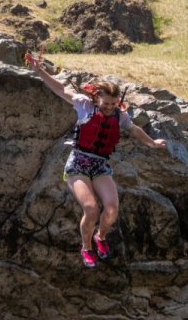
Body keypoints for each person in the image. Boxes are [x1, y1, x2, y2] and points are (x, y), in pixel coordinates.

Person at [27, 53, 168, 267]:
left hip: (100, 165)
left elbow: (134, 129)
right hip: (78, 164)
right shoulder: (85, 105)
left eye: (113, 103)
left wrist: (152, 143)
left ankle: (100, 237)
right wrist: (39, 70)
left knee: (111, 209)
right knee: (91, 209)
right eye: (106, 103)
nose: (109, 107)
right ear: (97, 98)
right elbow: (61, 89)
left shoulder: (120, 115)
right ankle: (86, 248)